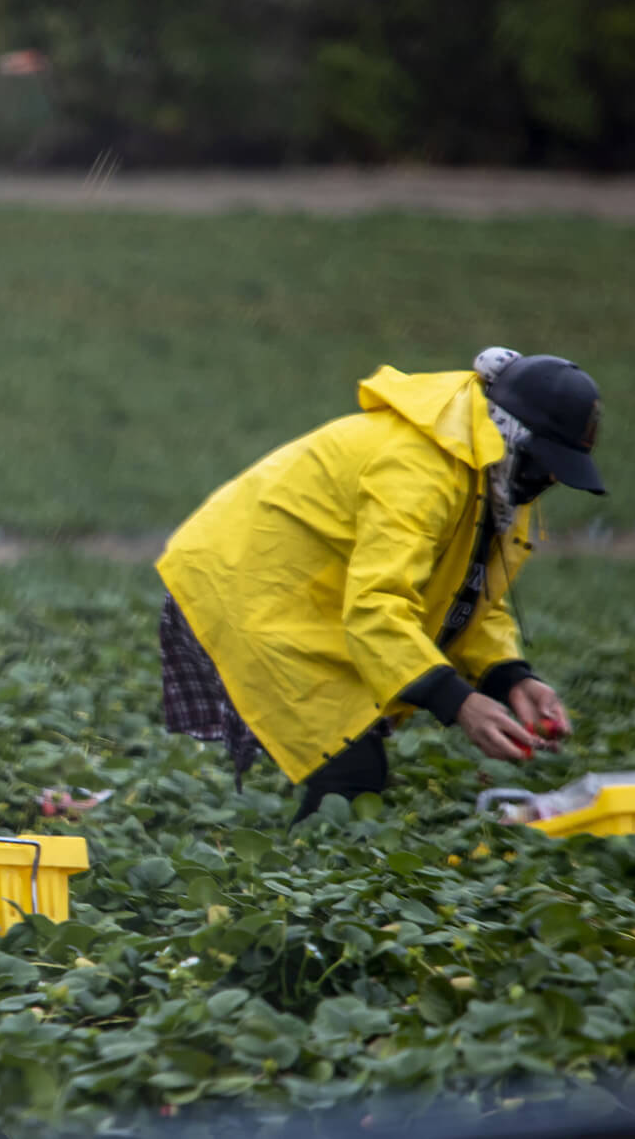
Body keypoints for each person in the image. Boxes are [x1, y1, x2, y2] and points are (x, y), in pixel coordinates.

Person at [155, 348, 606, 823]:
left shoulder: (495, 482)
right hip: (245, 586)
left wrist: (510, 677)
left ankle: (295, 877)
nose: (550, 479)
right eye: (544, 463)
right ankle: (296, 886)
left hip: (316, 600)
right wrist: (458, 702)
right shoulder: (419, 469)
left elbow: (468, 596)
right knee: (348, 769)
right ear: (509, 435)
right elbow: (378, 605)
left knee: (350, 762)